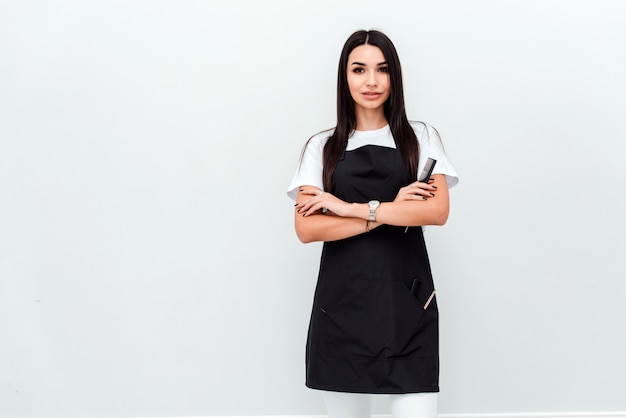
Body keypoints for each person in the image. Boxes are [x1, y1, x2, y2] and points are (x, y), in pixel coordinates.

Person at [287, 30, 459, 418]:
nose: (371, 81)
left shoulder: (421, 138)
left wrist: (346, 207)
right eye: (359, 69)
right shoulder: (322, 146)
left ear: (394, 77)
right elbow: (308, 229)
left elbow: (435, 212)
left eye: (382, 70)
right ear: (343, 78)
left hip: (407, 313)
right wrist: (390, 210)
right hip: (340, 315)